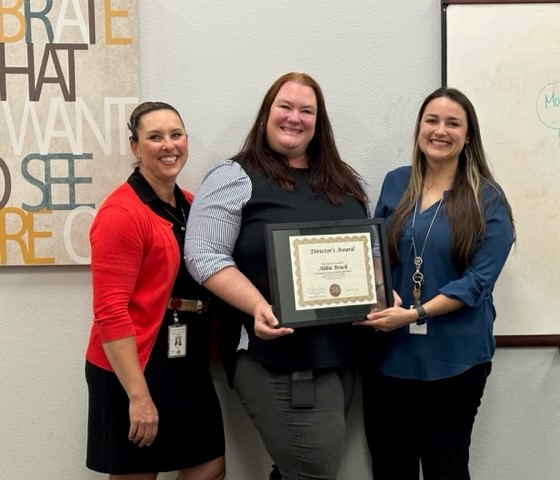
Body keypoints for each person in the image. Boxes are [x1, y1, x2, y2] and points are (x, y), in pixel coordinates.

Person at [184, 72, 369, 480]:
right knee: (314, 472)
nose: (294, 117)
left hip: (341, 354)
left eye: (307, 110)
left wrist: (374, 292)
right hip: (275, 356)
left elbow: (361, 253)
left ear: (319, 122)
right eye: (284, 106)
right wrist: (257, 305)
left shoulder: (342, 180)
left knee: (299, 471)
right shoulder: (234, 176)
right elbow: (203, 254)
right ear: (267, 113)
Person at [355, 87, 515, 480]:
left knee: (447, 468)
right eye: (432, 120)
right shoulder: (396, 182)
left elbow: (478, 282)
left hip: (455, 362)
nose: (440, 130)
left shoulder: (488, 199)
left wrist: (417, 311)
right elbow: (375, 251)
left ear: (468, 136)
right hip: (389, 359)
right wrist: (379, 289)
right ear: (419, 128)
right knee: (391, 469)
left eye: (452, 123)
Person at [85, 101, 225, 480]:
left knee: (209, 466)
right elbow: (110, 312)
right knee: (138, 473)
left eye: (176, 135)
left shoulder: (192, 206)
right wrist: (138, 396)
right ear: (135, 147)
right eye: (155, 137)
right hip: (136, 364)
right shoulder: (122, 213)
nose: (169, 145)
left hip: (186, 360)